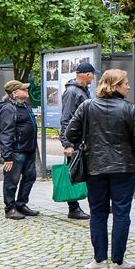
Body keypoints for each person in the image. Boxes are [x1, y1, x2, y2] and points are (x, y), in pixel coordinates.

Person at [64, 69, 135, 269]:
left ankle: (99, 260)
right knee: (121, 213)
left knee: (98, 214)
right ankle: (118, 262)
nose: (128, 86)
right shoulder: (129, 109)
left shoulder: (87, 106)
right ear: (115, 85)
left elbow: (70, 132)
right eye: (125, 83)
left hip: (95, 167)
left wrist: (88, 141)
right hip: (124, 168)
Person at [0, 80, 39, 220]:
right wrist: (7, 157)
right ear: (15, 93)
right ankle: (10, 208)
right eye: (23, 90)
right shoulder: (8, 108)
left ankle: (21, 204)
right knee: (12, 180)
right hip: (16, 151)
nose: (26, 92)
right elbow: (5, 133)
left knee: (30, 177)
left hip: (29, 149)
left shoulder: (24, 105)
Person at [59, 62, 96, 220]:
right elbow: (66, 118)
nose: (94, 78)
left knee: (85, 173)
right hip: (75, 141)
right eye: (93, 75)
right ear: (87, 74)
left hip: (83, 140)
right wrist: (66, 144)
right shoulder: (73, 92)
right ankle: (73, 208)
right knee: (74, 173)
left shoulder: (82, 91)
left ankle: (92, 205)